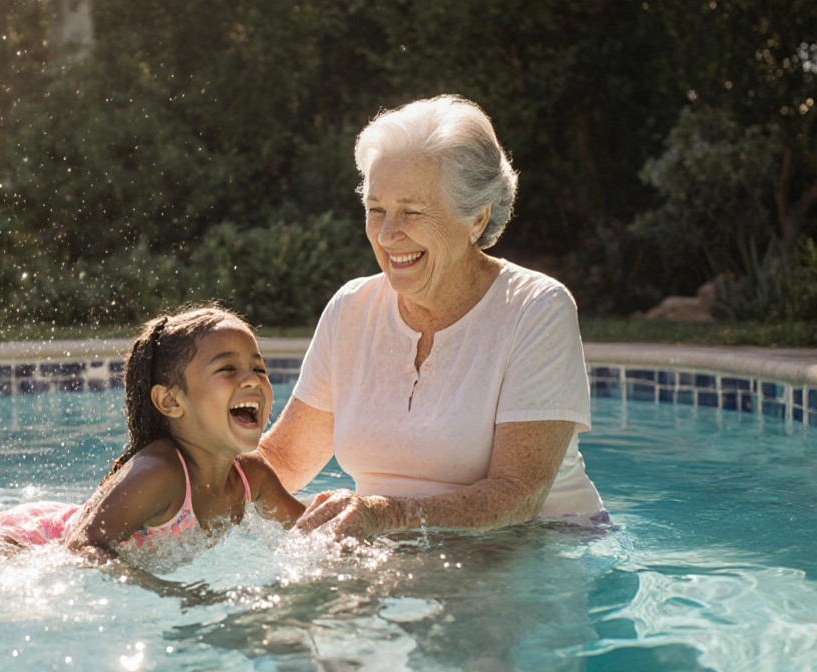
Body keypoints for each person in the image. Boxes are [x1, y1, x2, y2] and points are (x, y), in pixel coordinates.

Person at [258, 95, 606, 539]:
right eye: (376, 209)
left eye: (412, 211)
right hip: (398, 550)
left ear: (477, 219)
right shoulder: (351, 309)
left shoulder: (536, 308)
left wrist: (387, 515)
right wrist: (181, 473)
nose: (386, 235)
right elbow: (284, 461)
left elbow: (519, 494)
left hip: (535, 547)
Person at [0, 306, 306, 573]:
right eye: (229, 369)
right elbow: (84, 545)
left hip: (55, 528)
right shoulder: (161, 472)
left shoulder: (251, 478)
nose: (253, 380)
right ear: (170, 401)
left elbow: (311, 530)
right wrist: (159, 590)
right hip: (37, 543)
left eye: (258, 369)